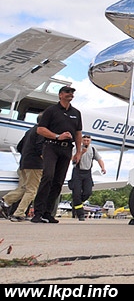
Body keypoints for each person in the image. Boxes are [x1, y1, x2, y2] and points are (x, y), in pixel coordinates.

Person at [31, 85, 83, 223]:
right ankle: (38, 212)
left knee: (58, 182)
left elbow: (78, 133)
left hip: (66, 150)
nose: (70, 94)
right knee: (48, 176)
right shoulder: (51, 111)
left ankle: (48, 212)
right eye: (67, 92)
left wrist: (78, 152)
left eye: (72, 92)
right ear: (60, 95)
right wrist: (57, 136)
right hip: (51, 147)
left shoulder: (76, 113)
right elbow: (40, 129)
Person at [0, 125, 44, 221]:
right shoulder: (42, 131)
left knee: (23, 188)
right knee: (31, 190)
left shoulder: (29, 131)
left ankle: (5, 200)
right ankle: (19, 213)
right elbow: (40, 148)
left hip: (23, 163)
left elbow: (19, 146)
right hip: (35, 165)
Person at [69, 134, 106, 220]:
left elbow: (99, 159)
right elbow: (73, 160)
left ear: (90, 141)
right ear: (81, 140)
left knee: (87, 192)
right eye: (84, 140)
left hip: (87, 173)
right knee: (76, 194)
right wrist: (81, 152)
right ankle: (80, 214)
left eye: (87, 141)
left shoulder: (93, 149)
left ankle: (76, 203)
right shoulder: (76, 148)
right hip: (77, 172)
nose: (86, 142)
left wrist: (103, 168)